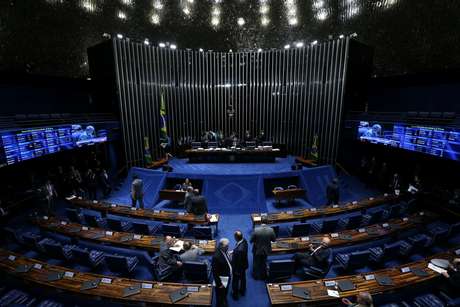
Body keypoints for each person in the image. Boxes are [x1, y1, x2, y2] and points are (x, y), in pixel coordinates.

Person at [212, 238, 232, 307]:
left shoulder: (223, 251)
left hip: (226, 278)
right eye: (226, 246)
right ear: (221, 246)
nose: (228, 247)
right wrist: (219, 284)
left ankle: (224, 300)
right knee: (220, 296)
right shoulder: (216, 257)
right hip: (221, 281)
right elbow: (215, 272)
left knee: (224, 293)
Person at [231, 231, 248, 300]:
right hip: (244, 265)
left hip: (237, 268)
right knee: (243, 279)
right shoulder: (244, 241)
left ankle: (235, 295)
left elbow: (238, 260)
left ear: (236, 238)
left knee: (235, 281)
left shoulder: (239, 251)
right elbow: (239, 249)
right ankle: (242, 291)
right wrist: (234, 251)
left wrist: (235, 270)